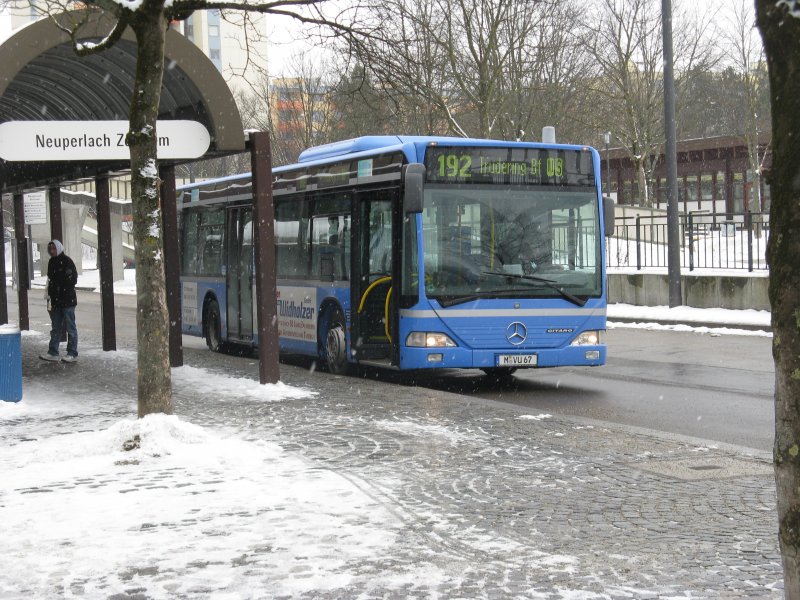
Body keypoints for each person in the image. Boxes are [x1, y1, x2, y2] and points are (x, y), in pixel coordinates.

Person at [39, 240, 79, 363]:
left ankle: (72, 353)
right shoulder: (51, 262)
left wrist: (60, 287)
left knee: (70, 328)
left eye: (54, 248)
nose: (52, 251)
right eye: (50, 249)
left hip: (67, 300)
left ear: (59, 248)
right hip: (56, 301)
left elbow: (73, 279)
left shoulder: (67, 261)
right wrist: (51, 296)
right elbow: (50, 280)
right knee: (55, 327)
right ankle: (53, 352)